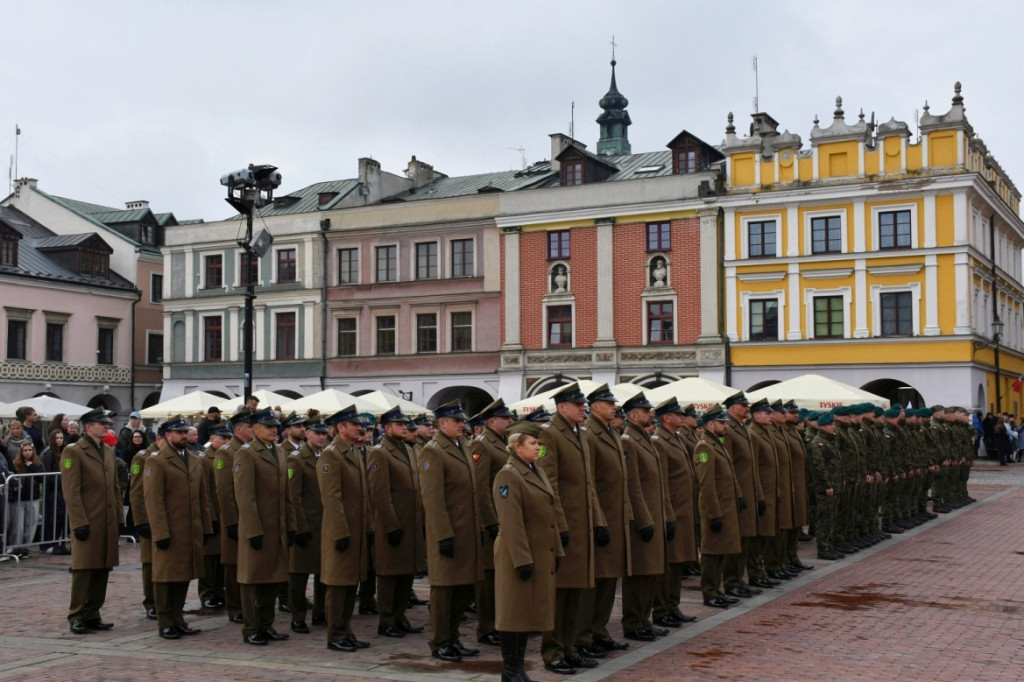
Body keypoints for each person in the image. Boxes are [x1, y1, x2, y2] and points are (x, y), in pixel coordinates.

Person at [537, 383, 604, 675]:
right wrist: (560, 525)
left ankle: (570, 647)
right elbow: (549, 485)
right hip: (565, 529)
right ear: (562, 407)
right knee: (559, 594)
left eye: (582, 405)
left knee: (576, 591)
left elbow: (588, 484)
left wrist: (599, 520)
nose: (582, 409)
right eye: (577, 405)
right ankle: (553, 652)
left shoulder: (580, 434)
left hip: (583, 527)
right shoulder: (549, 434)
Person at [493, 420, 563, 682]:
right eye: (533, 443)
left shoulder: (536, 470)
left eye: (538, 443)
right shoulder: (508, 475)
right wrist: (522, 560)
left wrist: (557, 552)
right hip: (516, 554)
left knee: (525, 613)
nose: (538, 448)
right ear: (516, 446)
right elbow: (511, 522)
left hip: (538, 551)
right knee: (513, 613)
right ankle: (510, 670)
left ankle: (518, 668)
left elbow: (550, 513)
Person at [417, 400, 483, 663]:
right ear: (442, 423)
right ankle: (440, 641)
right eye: (457, 421)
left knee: (462, 589)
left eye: (462, 421)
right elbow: (433, 499)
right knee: (445, 591)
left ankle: (453, 638)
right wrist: (443, 534)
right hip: (448, 533)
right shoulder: (432, 452)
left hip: (466, 532)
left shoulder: (462, 447)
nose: (462, 425)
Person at [144, 416, 213, 639]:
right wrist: (161, 532)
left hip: (190, 528)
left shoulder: (194, 459)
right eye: (179, 432)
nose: (184, 436)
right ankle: (165, 621)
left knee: (184, 574)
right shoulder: (157, 461)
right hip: (170, 529)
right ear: (167, 435)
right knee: (166, 577)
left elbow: (203, 496)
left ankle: (178, 618)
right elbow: (154, 500)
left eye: (186, 432)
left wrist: (206, 525)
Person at [577, 384, 634, 657]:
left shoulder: (611, 432)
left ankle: (599, 630)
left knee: (609, 579)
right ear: (595, 406)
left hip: (615, 517)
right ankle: (584, 635)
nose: (614, 408)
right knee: (594, 582)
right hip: (600, 519)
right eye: (609, 404)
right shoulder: (589, 434)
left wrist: (628, 516)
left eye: (614, 404)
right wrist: (598, 520)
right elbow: (589, 482)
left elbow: (620, 482)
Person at [61, 409, 124, 634]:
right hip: (88, 519)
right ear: (88, 427)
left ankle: (93, 612)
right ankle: (77, 615)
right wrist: (79, 522)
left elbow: (114, 487)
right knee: (84, 569)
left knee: (102, 567)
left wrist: (119, 517)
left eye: (107, 423)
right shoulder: (74, 452)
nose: (107, 426)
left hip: (106, 520)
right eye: (101, 423)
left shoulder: (107, 451)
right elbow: (72, 491)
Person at [234, 409, 294, 645]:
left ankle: (266, 625)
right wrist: (253, 530)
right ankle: (251, 628)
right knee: (252, 580)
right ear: (255, 428)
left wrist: (291, 525)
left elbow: (285, 493)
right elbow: (245, 496)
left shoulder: (278, 452)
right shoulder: (246, 453)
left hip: (276, 527)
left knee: (273, 578)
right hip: (257, 528)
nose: (274, 430)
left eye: (275, 426)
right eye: (268, 426)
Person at [367, 408, 426, 638]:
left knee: (406, 573)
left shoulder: (408, 450)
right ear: (387, 428)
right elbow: (379, 494)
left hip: (410, 524)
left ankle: (400, 616)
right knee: (390, 575)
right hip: (392, 526)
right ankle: (387, 620)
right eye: (399, 424)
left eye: (405, 424)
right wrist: (391, 525)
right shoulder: (380, 453)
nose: (404, 427)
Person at [619, 392, 672, 643]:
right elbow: (633, 485)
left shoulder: (646, 439)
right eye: (646, 411)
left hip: (655, 515)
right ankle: (633, 622)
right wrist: (643, 519)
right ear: (633, 415)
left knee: (651, 572)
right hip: (644, 518)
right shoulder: (628, 440)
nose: (651, 414)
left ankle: (644, 619)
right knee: (640, 573)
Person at [319, 406, 371, 652]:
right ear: (341, 427)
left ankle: (346, 630)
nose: (360, 428)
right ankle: (335, 635)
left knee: (352, 583)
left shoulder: (352, 451)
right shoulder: (331, 455)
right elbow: (332, 498)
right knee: (339, 585)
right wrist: (340, 532)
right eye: (354, 424)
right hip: (342, 532)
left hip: (356, 531)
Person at [650, 397, 700, 627]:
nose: (683, 417)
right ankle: (662, 610)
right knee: (669, 564)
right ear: (666, 418)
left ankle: (673, 605)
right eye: (678, 414)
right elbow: (661, 482)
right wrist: (667, 513)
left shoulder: (676, 438)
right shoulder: (660, 441)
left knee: (678, 562)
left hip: (684, 510)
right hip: (672, 511)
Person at [469, 399, 515, 647]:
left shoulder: (502, 443)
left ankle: (499, 623)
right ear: (491, 421)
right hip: (492, 522)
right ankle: (486, 628)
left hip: (505, 518)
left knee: (500, 576)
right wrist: (489, 522)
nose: (509, 421)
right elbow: (481, 487)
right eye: (505, 418)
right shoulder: (482, 444)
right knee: (488, 578)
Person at [693, 404, 742, 609]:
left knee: (722, 551)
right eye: (722, 423)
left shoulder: (717, 444)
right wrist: (713, 514)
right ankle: (709, 592)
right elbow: (706, 483)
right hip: (715, 509)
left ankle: (718, 590)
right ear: (711, 425)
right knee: (712, 554)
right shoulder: (704, 447)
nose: (725, 426)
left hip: (725, 508)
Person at [286, 417, 327, 634]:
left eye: (323, 433)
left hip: (325, 525)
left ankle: (321, 612)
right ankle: (298, 616)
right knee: (299, 575)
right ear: (307, 434)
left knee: (324, 573)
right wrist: (299, 527)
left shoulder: (327, 456)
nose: (321, 437)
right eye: (316, 433)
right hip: (305, 526)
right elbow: (294, 497)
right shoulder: (297, 459)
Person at [721, 392, 764, 600]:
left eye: (747, 405)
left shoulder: (742, 429)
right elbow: (728, 466)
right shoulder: (728, 430)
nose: (747, 408)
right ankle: (731, 582)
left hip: (749, 492)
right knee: (736, 540)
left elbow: (751, 466)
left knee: (746, 538)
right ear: (732, 408)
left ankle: (739, 580)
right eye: (743, 405)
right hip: (738, 494)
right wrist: (737, 493)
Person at [216, 410, 255, 624]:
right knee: (233, 566)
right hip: (235, 518)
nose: (253, 430)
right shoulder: (226, 453)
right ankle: (235, 607)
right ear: (238, 429)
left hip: (248, 517)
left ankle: (247, 604)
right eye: (250, 427)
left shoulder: (250, 450)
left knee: (246, 564)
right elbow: (224, 491)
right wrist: (231, 521)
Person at [199, 424, 231, 611]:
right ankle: (207, 594)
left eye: (228, 438)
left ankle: (220, 591)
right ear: (212, 439)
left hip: (225, 514)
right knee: (209, 559)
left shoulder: (227, 456)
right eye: (222, 438)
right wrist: (210, 517)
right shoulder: (205, 459)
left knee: (222, 558)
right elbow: (205, 491)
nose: (226, 442)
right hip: (212, 515)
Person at [40, 429, 70, 554]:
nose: (59, 440)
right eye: (57, 438)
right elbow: (47, 473)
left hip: (63, 489)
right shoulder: (48, 453)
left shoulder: (65, 451)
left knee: (62, 518)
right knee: (50, 518)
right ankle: (47, 544)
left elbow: (68, 467)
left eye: (61, 438)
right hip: (52, 490)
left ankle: (60, 542)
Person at [12, 441, 44, 552]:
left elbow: (42, 478)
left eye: (30, 450)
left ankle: (26, 547)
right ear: (21, 452)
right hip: (20, 499)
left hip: (33, 498)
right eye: (25, 450)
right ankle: (16, 547)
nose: (27, 453)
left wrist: (32, 467)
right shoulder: (16, 464)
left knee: (30, 524)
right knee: (19, 525)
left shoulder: (37, 464)